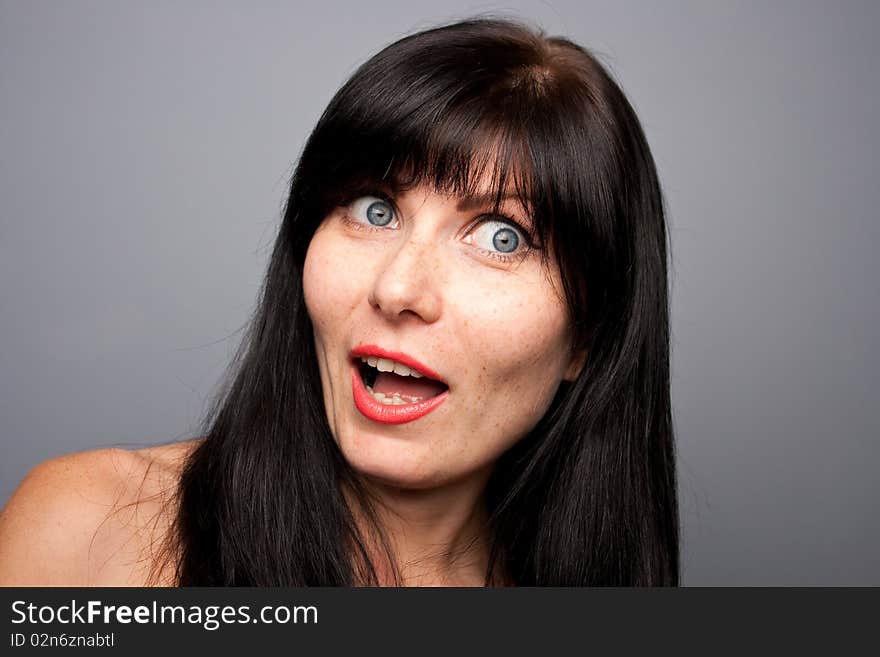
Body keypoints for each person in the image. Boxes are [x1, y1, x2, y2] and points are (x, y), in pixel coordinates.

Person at [0, 17, 679, 586]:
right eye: (374, 209)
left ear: (588, 336)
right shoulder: (90, 531)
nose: (397, 289)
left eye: (502, 236)